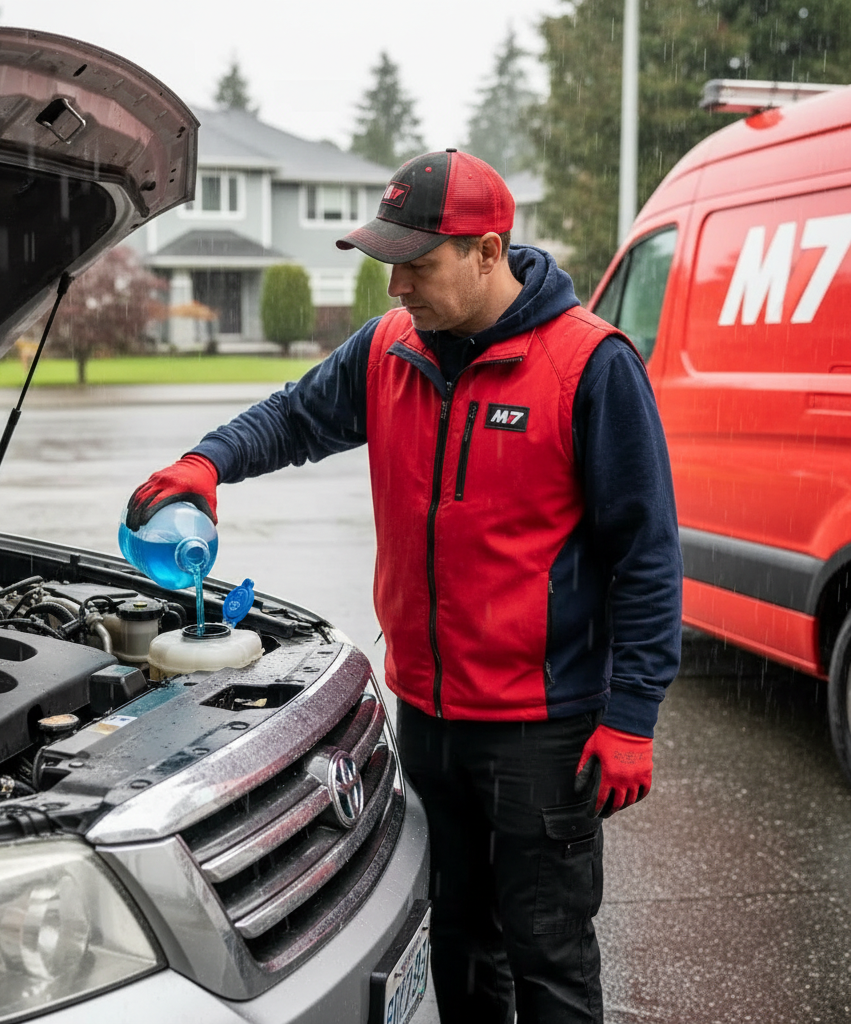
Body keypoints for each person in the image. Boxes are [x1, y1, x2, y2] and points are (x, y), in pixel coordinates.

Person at [126, 149, 683, 1023]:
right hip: (426, 716)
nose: (396, 289)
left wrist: (632, 717)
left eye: (417, 267)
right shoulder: (392, 349)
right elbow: (295, 413)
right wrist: (208, 462)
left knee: (549, 954)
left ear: (489, 253)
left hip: (544, 731)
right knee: (455, 939)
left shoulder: (590, 366)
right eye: (390, 267)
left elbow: (646, 554)